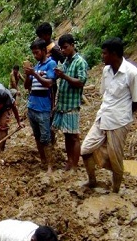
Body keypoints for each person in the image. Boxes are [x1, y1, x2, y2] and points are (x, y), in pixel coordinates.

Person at [81, 37, 137, 193]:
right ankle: (92, 181)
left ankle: (115, 190)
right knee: (86, 149)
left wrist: (123, 114)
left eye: (104, 53)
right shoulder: (106, 71)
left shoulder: (132, 73)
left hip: (119, 121)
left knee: (116, 160)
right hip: (103, 116)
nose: (102, 56)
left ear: (114, 54)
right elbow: (105, 93)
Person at [52, 34, 88, 171]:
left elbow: (80, 82)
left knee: (74, 136)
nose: (63, 50)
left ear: (73, 45)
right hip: (63, 104)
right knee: (67, 134)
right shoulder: (66, 61)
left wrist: (64, 76)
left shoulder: (80, 62)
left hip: (72, 105)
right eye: (61, 48)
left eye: (65, 47)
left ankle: (75, 164)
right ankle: (69, 161)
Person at [24, 38, 57, 174]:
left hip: (44, 107)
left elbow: (49, 83)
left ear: (44, 50)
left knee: (46, 137)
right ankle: (43, 161)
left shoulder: (51, 64)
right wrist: (28, 75)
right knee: (37, 136)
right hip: (32, 105)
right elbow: (27, 86)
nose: (35, 55)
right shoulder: (36, 66)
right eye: (33, 53)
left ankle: (50, 165)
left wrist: (34, 74)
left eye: (37, 52)